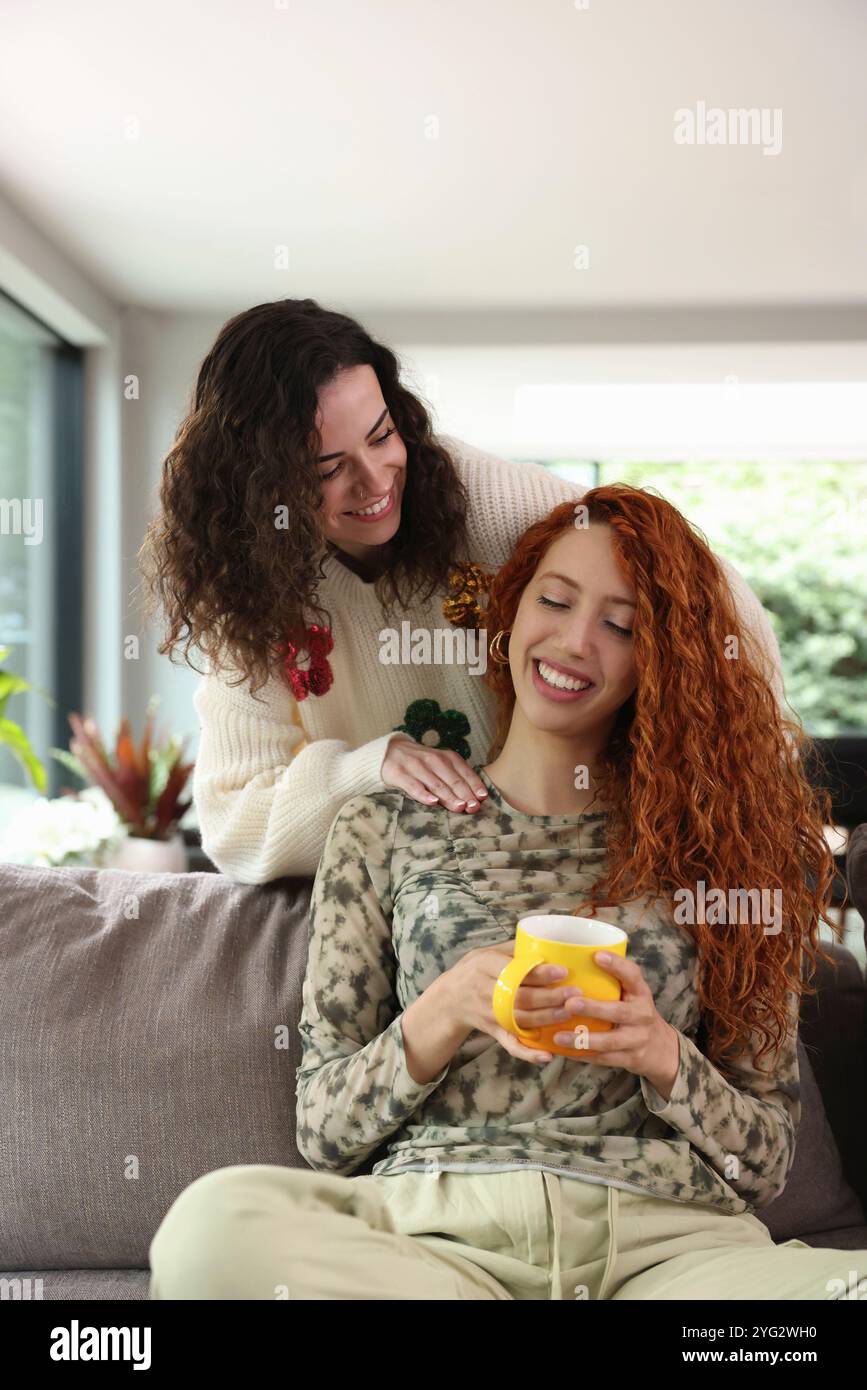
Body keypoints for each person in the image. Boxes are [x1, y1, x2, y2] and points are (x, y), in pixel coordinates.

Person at [148, 485, 864, 1301]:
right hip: (439, 1243)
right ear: (513, 610)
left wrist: (660, 1054)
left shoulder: (720, 851)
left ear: (657, 660)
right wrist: (443, 1007)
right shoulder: (383, 828)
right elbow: (325, 1131)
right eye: (554, 601)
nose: (573, 641)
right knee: (213, 1227)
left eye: (620, 626)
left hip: (671, 1250)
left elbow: (762, 1163)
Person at [138, 296, 786, 880]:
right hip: (422, 881)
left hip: (569, 854)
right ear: (260, 485)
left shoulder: (494, 503)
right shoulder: (244, 583)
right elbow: (233, 824)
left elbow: (721, 604)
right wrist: (372, 768)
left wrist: (726, 775)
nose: (375, 482)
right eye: (328, 469)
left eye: (381, 435)